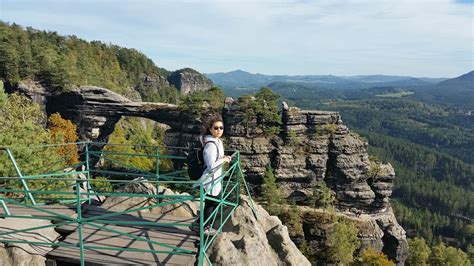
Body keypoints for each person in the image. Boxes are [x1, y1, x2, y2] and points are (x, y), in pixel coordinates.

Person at [193, 113, 232, 235]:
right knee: (212, 204)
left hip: (215, 180)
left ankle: (199, 225)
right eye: (216, 128)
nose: (219, 130)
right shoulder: (210, 145)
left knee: (214, 203)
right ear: (210, 129)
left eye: (221, 128)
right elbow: (210, 166)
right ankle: (204, 228)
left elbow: (216, 159)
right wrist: (223, 160)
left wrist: (223, 157)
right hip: (208, 181)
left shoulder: (217, 141)